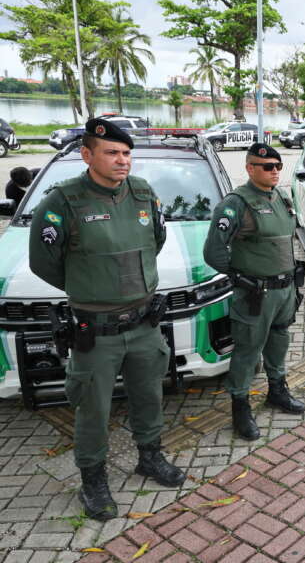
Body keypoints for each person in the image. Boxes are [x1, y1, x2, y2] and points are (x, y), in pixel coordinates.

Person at [28, 119, 184, 521]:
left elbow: (157, 240)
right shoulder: (63, 202)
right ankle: (93, 481)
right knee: (92, 408)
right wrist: (91, 286)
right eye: (112, 152)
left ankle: (149, 457)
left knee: (150, 395)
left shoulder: (144, 193)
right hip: (96, 332)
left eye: (127, 153)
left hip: (145, 324)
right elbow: (44, 262)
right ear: (87, 155)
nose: (122, 161)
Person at [203, 142, 305, 442]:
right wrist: (240, 277)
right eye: (267, 167)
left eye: (278, 166)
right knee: (247, 350)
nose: (274, 171)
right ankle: (240, 407)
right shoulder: (236, 203)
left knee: (278, 343)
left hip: (284, 290)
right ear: (250, 168)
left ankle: (277, 391)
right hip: (254, 294)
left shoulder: (282, 197)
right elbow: (213, 252)